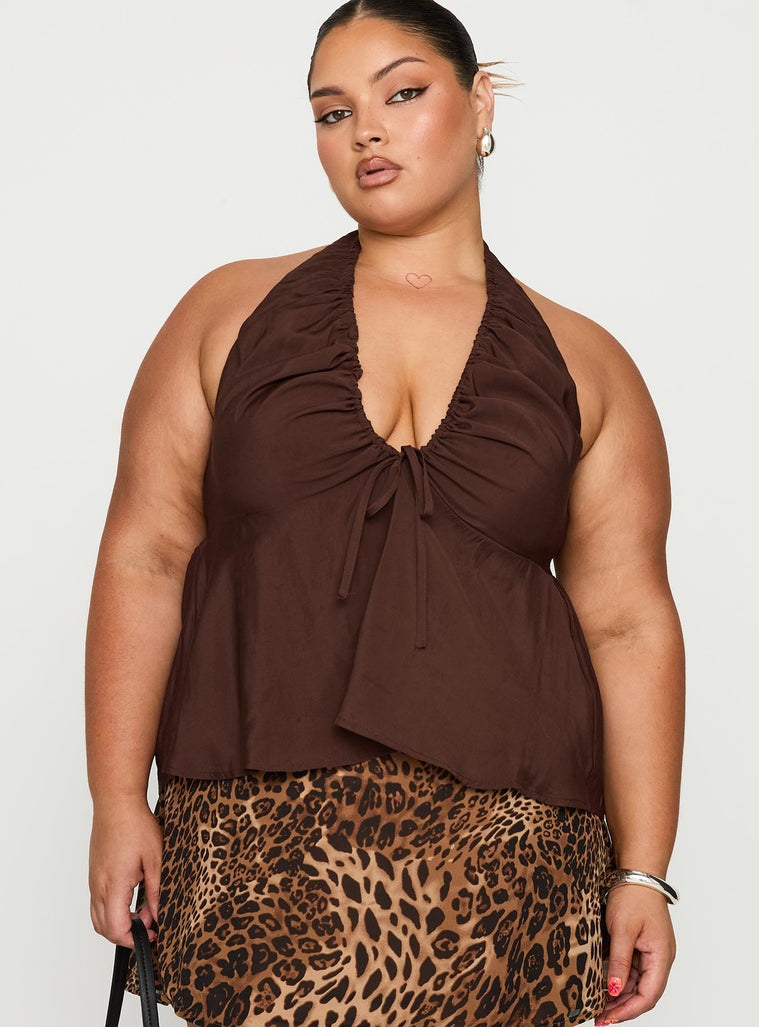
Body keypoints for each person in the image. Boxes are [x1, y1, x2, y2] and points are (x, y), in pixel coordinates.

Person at [85, 2, 685, 1025]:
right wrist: (115, 799)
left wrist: (643, 871)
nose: (365, 130)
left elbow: (628, 621)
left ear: (480, 103)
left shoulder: (587, 363)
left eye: (402, 93)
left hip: (509, 861)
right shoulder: (226, 313)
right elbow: (146, 554)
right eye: (333, 112)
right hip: (256, 839)